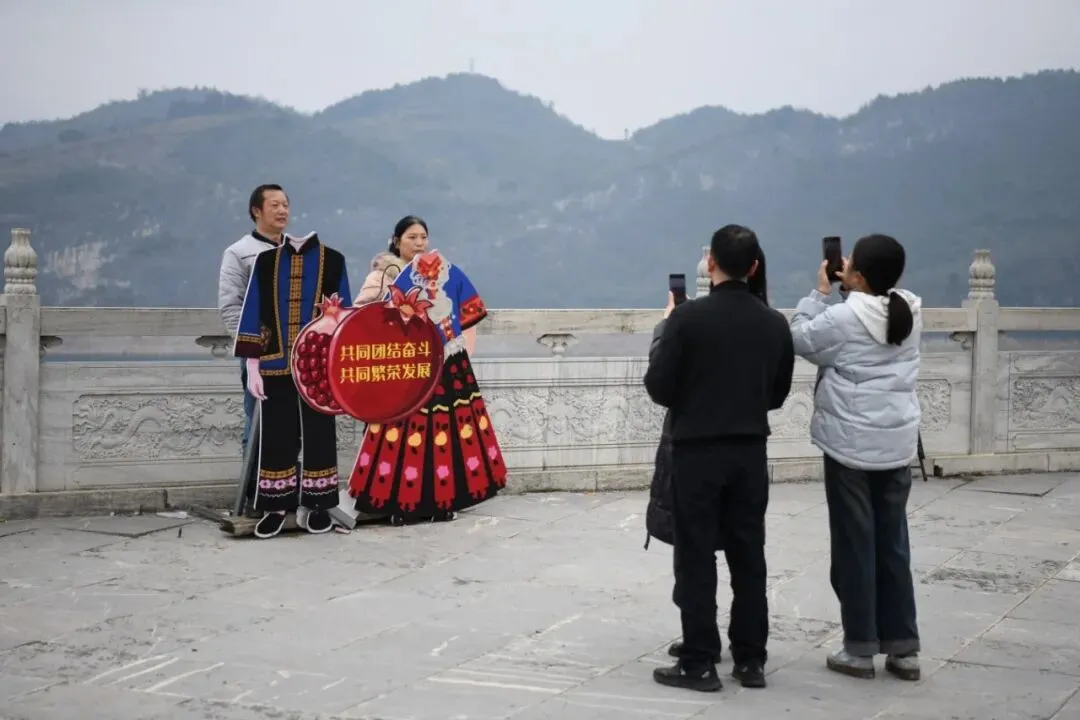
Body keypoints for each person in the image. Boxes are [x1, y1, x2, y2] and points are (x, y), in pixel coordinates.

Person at [645, 226, 794, 693]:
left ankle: (700, 659)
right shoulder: (774, 323)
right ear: (754, 266)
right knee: (749, 554)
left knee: (696, 555)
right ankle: (750, 659)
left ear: (710, 264)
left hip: (697, 450)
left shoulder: (687, 319)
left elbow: (659, 387)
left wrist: (666, 330)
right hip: (749, 451)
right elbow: (777, 394)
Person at [789, 233, 923, 681]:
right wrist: (853, 288)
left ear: (859, 275)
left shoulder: (843, 317)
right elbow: (872, 311)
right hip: (896, 446)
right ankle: (904, 648)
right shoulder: (909, 309)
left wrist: (819, 293)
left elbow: (799, 338)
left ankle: (860, 648)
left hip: (850, 448)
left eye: (851, 265)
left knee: (855, 547)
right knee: (893, 545)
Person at [348, 215, 508, 524]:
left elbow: (470, 311)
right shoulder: (387, 275)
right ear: (397, 241)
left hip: (448, 362)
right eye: (412, 237)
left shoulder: (450, 272)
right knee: (403, 431)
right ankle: (400, 502)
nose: (420, 243)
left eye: (423, 237)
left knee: (446, 430)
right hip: (406, 364)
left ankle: (443, 499)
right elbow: (367, 320)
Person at [232, 231, 353, 538]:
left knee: (320, 434)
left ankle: (318, 505)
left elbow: (346, 317)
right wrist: (253, 364)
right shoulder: (266, 261)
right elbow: (252, 308)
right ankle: (275, 507)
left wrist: (341, 367)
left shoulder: (333, 260)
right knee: (276, 435)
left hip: (319, 365)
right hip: (275, 363)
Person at [217, 184, 288, 467]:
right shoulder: (239, 252)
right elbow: (230, 306)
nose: (282, 211)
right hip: (260, 355)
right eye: (275, 205)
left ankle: (286, 482)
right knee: (257, 419)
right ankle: (252, 485)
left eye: (285, 205)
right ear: (256, 211)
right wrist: (251, 349)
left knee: (291, 423)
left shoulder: (297, 252)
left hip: (294, 353)